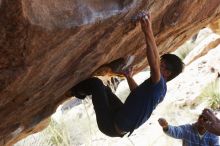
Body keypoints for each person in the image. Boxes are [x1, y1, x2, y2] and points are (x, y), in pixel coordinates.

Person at [66, 12, 184, 137]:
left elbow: (153, 62)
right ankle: (83, 92)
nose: (158, 64)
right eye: (161, 62)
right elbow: (137, 93)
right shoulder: (160, 90)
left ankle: (74, 91)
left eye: (162, 64)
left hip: (111, 125)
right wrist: (129, 77)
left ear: (167, 73)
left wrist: (147, 30)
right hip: (119, 115)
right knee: (104, 89)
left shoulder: (159, 84)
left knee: (95, 84)